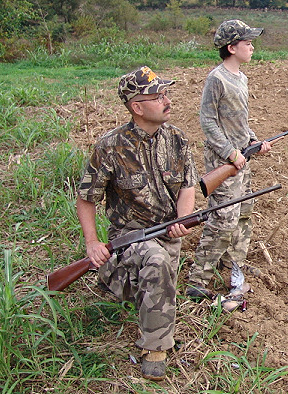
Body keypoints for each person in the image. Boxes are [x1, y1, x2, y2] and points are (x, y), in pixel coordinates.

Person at [75, 66, 198, 381]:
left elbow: (188, 185)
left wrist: (183, 219)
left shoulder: (178, 140)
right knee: (155, 264)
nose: (166, 100)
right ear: (137, 107)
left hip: (168, 234)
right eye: (158, 96)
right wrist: (92, 244)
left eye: (166, 93)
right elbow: (87, 199)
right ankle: (155, 347)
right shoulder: (111, 146)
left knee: (157, 278)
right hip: (130, 236)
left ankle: (121, 281)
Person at [188, 20, 272, 303]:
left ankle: (233, 265)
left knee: (243, 214)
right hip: (224, 163)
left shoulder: (242, 78)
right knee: (223, 220)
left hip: (241, 160)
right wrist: (229, 152)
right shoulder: (217, 79)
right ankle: (198, 280)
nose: (251, 47)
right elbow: (208, 122)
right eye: (246, 43)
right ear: (231, 47)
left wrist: (253, 141)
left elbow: (239, 121)